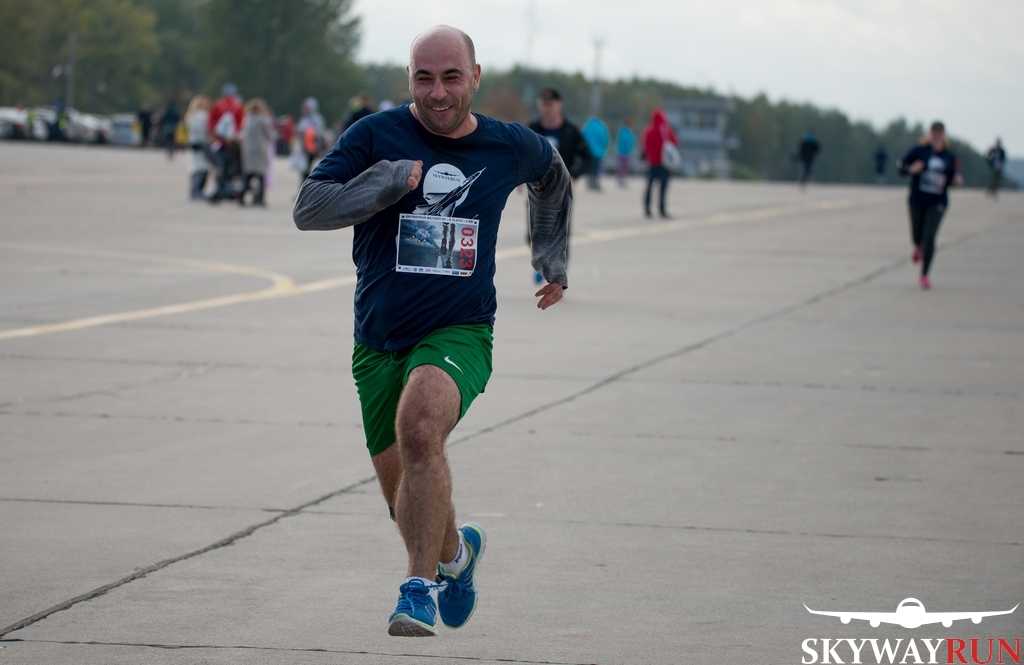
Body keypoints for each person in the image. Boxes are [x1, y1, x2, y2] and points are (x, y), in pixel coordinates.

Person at [292, 24, 571, 638]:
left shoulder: (507, 145)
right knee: (406, 499)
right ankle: (456, 558)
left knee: (420, 429)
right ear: (410, 79)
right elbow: (308, 208)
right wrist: (385, 181)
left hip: (459, 332)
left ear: (475, 77)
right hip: (378, 341)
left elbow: (552, 174)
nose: (438, 92)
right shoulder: (375, 136)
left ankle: (416, 589)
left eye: (451, 77)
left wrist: (551, 255)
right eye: (424, 78)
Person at [896, 121, 963, 289]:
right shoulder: (919, 150)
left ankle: (924, 274)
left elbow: (951, 178)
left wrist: (955, 181)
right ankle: (918, 246)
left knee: (930, 237)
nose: (936, 136)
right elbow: (900, 166)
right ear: (929, 134)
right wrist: (911, 169)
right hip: (917, 199)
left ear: (944, 135)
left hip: (937, 201)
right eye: (933, 132)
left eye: (939, 133)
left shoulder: (949, 156)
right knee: (917, 235)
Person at [207, 83, 245, 202]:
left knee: (220, 166)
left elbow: (210, 124)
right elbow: (241, 125)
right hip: (232, 143)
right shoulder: (238, 106)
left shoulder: (217, 105)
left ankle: (220, 188)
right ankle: (229, 189)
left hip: (219, 142)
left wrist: (217, 136)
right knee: (231, 167)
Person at [640, 108, 679, 219]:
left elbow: (645, 145)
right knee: (663, 188)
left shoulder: (648, 131)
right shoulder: (666, 130)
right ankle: (662, 209)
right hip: (664, 163)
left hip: (652, 162)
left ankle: (647, 208)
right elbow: (675, 141)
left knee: (649, 186)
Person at [239, 98, 274, 207]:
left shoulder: (247, 119)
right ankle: (260, 199)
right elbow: (269, 135)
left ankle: (241, 196)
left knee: (248, 175)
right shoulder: (262, 120)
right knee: (261, 176)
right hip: (259, 149)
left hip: (248, 150)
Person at [184, 93, 212, 200]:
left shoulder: (192, 116)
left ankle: (195, 191)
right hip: (202, 145)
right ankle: (197, 191)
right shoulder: (202, 115)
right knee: (202, 168)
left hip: (193, 144)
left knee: (195, 168)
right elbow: (204, 130)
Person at [295, 96, 326, 182]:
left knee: (307, 168)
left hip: (312, 147)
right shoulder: (304, 119)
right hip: (303, 147)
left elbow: (319, 133)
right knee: (303, 169)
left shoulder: (317, 119)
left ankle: (306, 184)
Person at [581, 115, 609, 191]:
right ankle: (595, 183)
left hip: (589, 151)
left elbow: (582, 137)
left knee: (590, 167)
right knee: (596, 168)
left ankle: (589, 181)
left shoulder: (587, 126)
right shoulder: (601, 127)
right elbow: (605, 139)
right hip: (598, 152)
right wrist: (604, 148)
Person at [615, 117, 635, 188]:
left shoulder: (629, 132)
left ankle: (623, 179)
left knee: (625, 167)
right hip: (622, 152)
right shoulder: (624, 132)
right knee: (621, 167)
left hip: (627, 152)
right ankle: (620, 180)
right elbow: (623, 142)